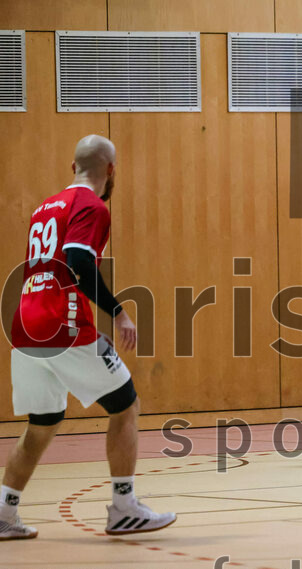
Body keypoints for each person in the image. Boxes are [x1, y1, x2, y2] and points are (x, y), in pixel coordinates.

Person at [0, 135, 177, 540]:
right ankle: (124, 508)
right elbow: (78, 260)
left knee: (42, 424)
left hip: (25, 325)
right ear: (111, 170)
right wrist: (119, 313)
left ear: (72, 167)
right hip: (61, 323)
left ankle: (4, 512)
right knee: (125, 405)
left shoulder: (45, 208)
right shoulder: (91, 206)